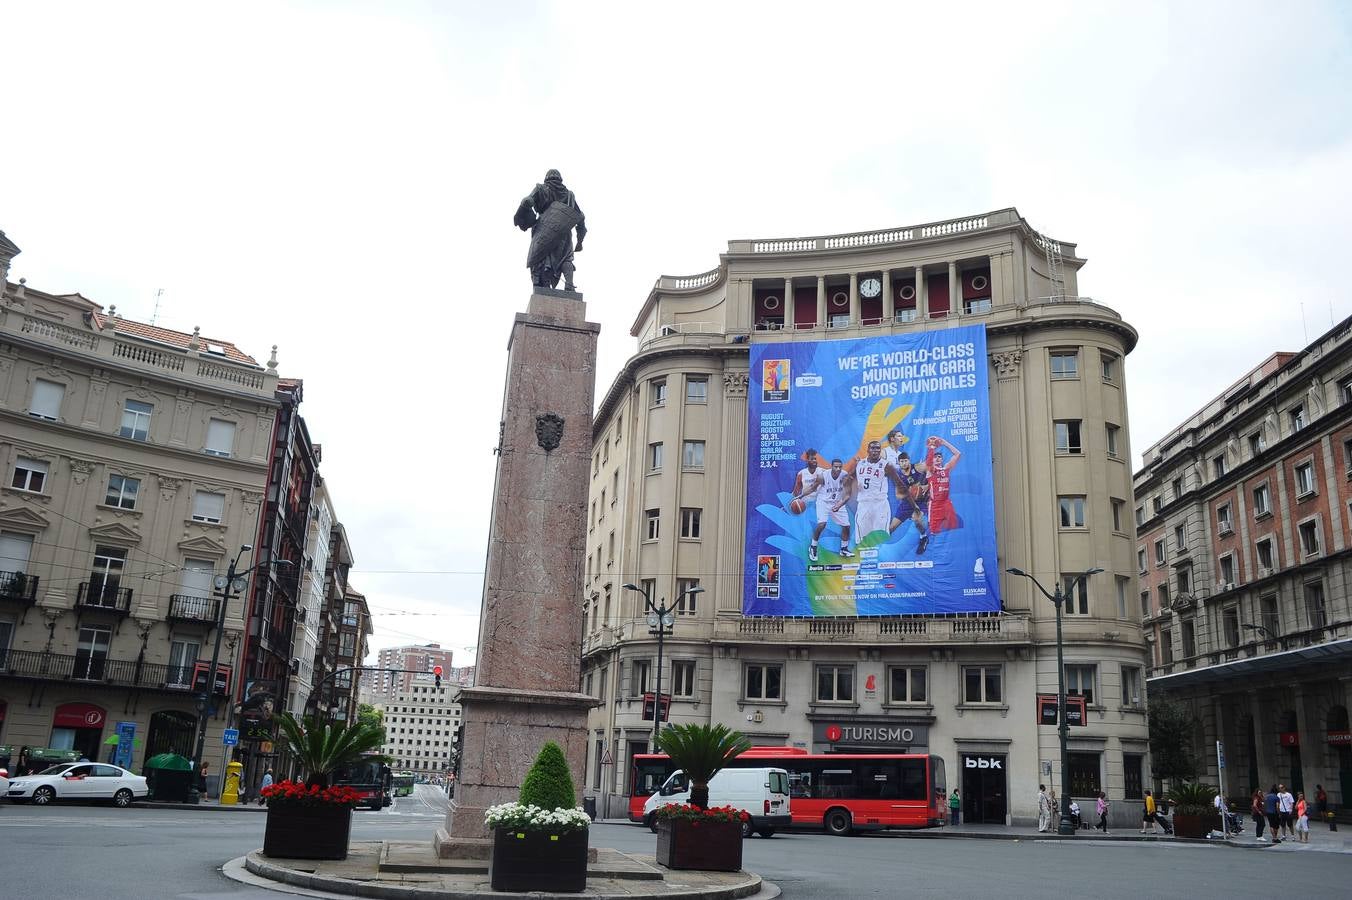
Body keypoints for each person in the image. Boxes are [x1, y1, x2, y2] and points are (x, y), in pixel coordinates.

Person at [514, 169, 586, 291]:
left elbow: (528, 201)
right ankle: (569, 284)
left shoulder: (540, 189)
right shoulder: (569, 195)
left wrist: (521, 211)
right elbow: (580, 217)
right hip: (564, 232)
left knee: (540, 258)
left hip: (544, 229)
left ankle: (542, 286)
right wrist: (580, 241)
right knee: (566, 258)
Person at [853, 441, 906, 540]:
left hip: (880, 504)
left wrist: (903, 494)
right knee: (862, 537)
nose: (875, 450)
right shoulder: (860, 464)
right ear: (868, 450)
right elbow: (851, 479)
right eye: (873, 448)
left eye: (878, 448)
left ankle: (880, 554)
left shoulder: (886, 465)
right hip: (863, 503)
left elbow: (899, 483)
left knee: (881, 536)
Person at [920, 436, 962, 554]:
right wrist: (931, 448)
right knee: (934, 532)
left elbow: (958, 454)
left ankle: (951, 552)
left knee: (953, 527)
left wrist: (944, 443)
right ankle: (926, 545)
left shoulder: (946, 468)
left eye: (939, 457)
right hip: (935, 505)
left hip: (946, 502)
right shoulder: (930, 470)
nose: (937, 458)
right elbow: (928, 462)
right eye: (935, 457)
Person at [811, 458, 853, 561]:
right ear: (831, 466)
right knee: (822, 524)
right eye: (836, 467)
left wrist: (839, 505)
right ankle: (813, 547)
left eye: (840, 467)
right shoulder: (823, 476)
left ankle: (844, 549)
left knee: (846, 526)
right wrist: (801, 496)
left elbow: (847, 495)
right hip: (823, 502)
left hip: (837, 502)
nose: (838, 469)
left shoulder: (844, 475)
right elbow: (812, 488)